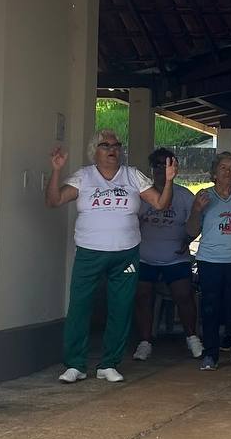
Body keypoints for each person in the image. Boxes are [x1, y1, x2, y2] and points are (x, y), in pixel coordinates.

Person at [46, 130, 176, 384]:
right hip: (89, 251)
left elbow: (160, 204)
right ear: (94, 151)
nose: (112, 149)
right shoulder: (83, 176)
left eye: (116, 145)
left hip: (125, 252)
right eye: (105, 145)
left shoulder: (132, 175)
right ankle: (75, 364)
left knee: (121, 306)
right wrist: (56, 171)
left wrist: (169, 181)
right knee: (80, 307)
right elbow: (54, 200)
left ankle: (109, 364)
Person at [187, 151, 231, 371]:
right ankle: (211, 354)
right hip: (210, 260)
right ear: (214, 173)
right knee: (210, 308)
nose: (229, 172)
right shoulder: (204, 196)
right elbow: (191, 230)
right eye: (224, 168)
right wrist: (197, 210)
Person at [133, 148, 203, 363]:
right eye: (157, 166)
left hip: (176, 257)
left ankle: (192, 337)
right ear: (151, 169)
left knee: (184, 295)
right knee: (142, 296)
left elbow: (196, 222)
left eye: (166, 165)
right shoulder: (143, 195)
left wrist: (189, 241)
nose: (162, 171)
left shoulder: (184, 196)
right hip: (145, 257)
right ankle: (145, 342)